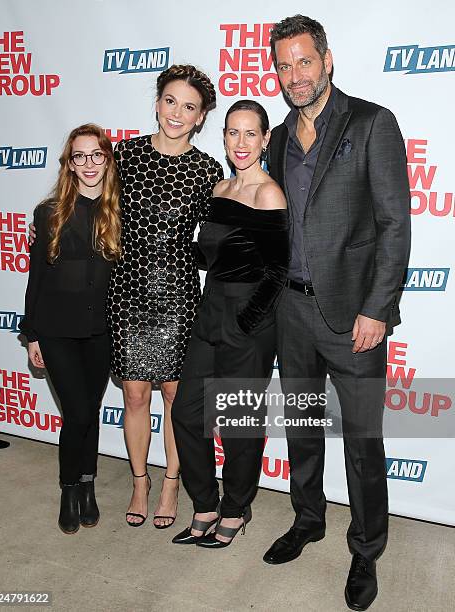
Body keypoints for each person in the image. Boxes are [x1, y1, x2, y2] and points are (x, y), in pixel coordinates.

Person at [262, 15, 411, 611]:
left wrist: (378, 309)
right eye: (282, 65)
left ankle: (366, 548)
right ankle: (307, 519)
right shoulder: (274, 138)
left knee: (362, 441)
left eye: (303, 61)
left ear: (327, 60)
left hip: (353, 318)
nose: (293, 75)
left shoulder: (372, 122)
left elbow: (394, 224)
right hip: (290, 312)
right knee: (302, 429)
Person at [106, 65, 224, 528]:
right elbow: (97, 212)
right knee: (135, 395)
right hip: (128, 287)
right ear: (158, 104)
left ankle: (172, 482)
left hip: (176, 291)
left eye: (189, 107)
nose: (177, 113)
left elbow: (216, 240)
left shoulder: (207, 169)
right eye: (170, 101)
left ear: (199, 118)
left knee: (176, 395)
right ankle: (140, 481)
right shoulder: (127, 155)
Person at [171, 100, 288, 548]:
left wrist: (247, 322)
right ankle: (204, 503)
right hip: (210, 309)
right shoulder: (219, 190)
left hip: (250, 317)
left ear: (265, 139)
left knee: (239, 422)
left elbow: (277, 270)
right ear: (222, 137)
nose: (241, 143)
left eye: (250, 134)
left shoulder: (268, 193)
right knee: (186, 412)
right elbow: (216, 255)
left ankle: (236, 508)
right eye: (232, 133)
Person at [19, 124, 121, 534]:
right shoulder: (49, 212)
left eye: (97, 154)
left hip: (102, 330)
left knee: (89, 411)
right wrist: (32, 334)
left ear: (107, 159)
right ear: (70, 164)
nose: (89, 164)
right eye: (80, 156)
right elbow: (37, 277)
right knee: (76, 412)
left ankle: (87, 484)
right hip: (58, 330)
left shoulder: (121, 211)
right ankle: (67, 488)